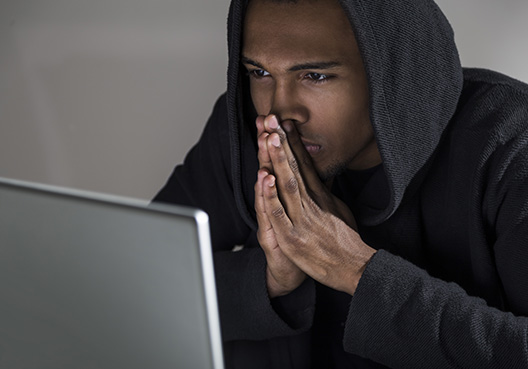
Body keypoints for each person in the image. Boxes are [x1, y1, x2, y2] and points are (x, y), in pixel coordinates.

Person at [153, 0, 528, 367]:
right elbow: (132, 283)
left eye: (315, 76)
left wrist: (355, 269)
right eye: (259, 73)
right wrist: (270, 279)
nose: (280, 110)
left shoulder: (509, 139)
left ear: (393, 73)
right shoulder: (245, 126)